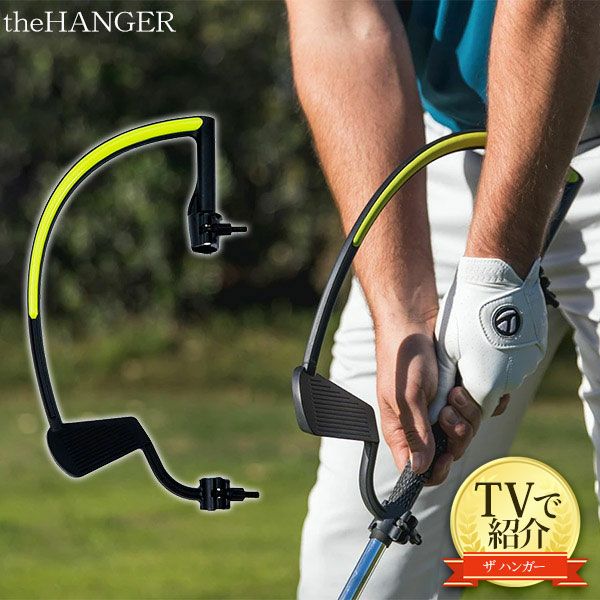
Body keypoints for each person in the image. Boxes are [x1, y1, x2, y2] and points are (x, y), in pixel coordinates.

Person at [285, 1, 600, 598]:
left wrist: (494, 280)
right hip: (452, 145)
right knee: (356, 564)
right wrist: (400, 313)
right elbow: (341, 20)